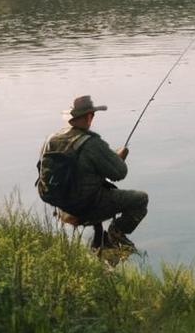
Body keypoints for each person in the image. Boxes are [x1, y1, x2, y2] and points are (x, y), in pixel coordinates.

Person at [40, 95, 148, 250]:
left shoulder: (51, 139)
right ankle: (115, 234)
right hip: (83, 206)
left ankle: (98, 241)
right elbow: (120, 173)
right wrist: (119, 156)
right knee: (140, 199)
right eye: (93, 115)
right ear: (89, 117)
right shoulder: (92, 143)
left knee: (95, 184)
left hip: (60, 204)